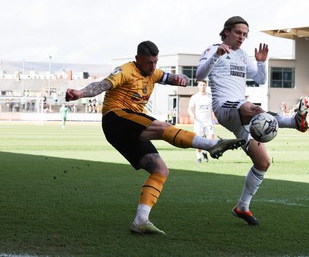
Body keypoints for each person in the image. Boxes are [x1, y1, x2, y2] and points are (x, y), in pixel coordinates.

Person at [65, 40, 245, 235]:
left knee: (160, 169)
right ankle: (211, 145)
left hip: (128, 128)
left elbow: (173, 77)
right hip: (116, 118)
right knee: (162, 126)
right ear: (137, 59)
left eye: (156, 62)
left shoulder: (154, 73)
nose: (153, 67)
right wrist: (80, 93)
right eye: (149, 62)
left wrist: (180, 78)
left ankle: (141, 220)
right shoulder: (125, 70)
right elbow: (102, 85)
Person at [196, 16, 309, 226]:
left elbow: (260, 80)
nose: (242, 37)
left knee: (263, 162)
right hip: (225, 107)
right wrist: (217, 55)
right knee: (254, 108)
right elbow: (199, 75)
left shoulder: (242, 56)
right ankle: (295, 122)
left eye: (245, 35)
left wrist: (260, 62)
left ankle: (242, 207)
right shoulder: (213, 49)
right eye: (239, 33)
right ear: (227, 31)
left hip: (241, 112)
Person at [188, 80, 216, 163]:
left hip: (208, 121)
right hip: (198, 122)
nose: (202, 87)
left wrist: (214, 113)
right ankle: (199, 157)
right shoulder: (194, 97)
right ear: (198, 86)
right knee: (198, 142)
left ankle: (205, 152)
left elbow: (215, 107)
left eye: (204, 85)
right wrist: (192, 115)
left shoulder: (210, 97)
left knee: (210, 140)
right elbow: (190, 108)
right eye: (201, 85)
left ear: (206, 86)